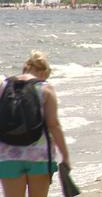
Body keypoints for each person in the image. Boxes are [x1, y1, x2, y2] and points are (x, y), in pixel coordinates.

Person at [0, 51, 70, 197]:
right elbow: (53, 125)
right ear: (44, 72)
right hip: (40, 156)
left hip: (8, 155)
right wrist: (65, 156)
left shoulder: (4, 85)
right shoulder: (45, 88)